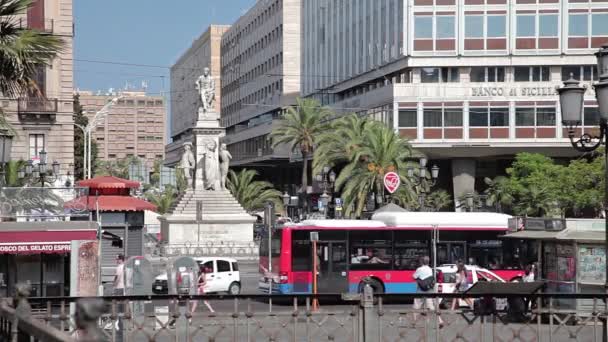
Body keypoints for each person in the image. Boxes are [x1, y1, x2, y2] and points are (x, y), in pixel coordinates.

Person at [413, 256, 444, 327]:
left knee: (416, 306)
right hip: (429, 289)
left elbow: (414, 277)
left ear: (422, 262)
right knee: (431, 307)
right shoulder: (430, 269)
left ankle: (414, 322)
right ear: (428, 262)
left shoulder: (419, 269)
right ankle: (440, 320)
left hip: (420, 290)